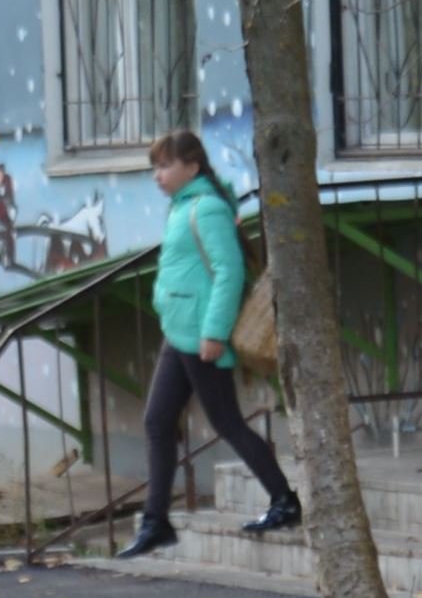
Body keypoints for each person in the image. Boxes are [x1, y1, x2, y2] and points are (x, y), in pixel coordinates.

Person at [122, 126, 297, 557]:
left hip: (202, 337)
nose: (157, 175)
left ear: (192, 166)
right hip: (179, 332)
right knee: (157, 421)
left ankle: (284, 500)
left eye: (165, 166)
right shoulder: (183, 207)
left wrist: (215, 334)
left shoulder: (207, 209)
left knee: (228, 423)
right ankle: (155, 522)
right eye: (155, 167)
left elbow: (228, 272)